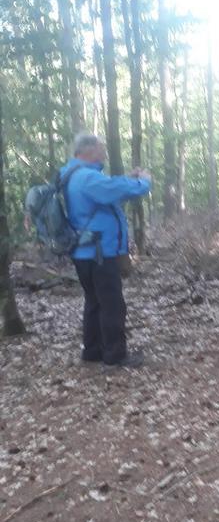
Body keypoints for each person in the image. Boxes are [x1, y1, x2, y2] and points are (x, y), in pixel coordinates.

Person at [61, 133, 152, 367]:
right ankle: (115, 356)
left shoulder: (73, 174)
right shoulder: (87, 178)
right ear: (88, 150)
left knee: (94, 301)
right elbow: (116, 190)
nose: (104, 153)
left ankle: (92, 352)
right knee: (112, 304)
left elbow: (108, 187)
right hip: (99, 253)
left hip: (84, 252)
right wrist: (143, 181)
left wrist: (126, 178)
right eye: (101, 148)